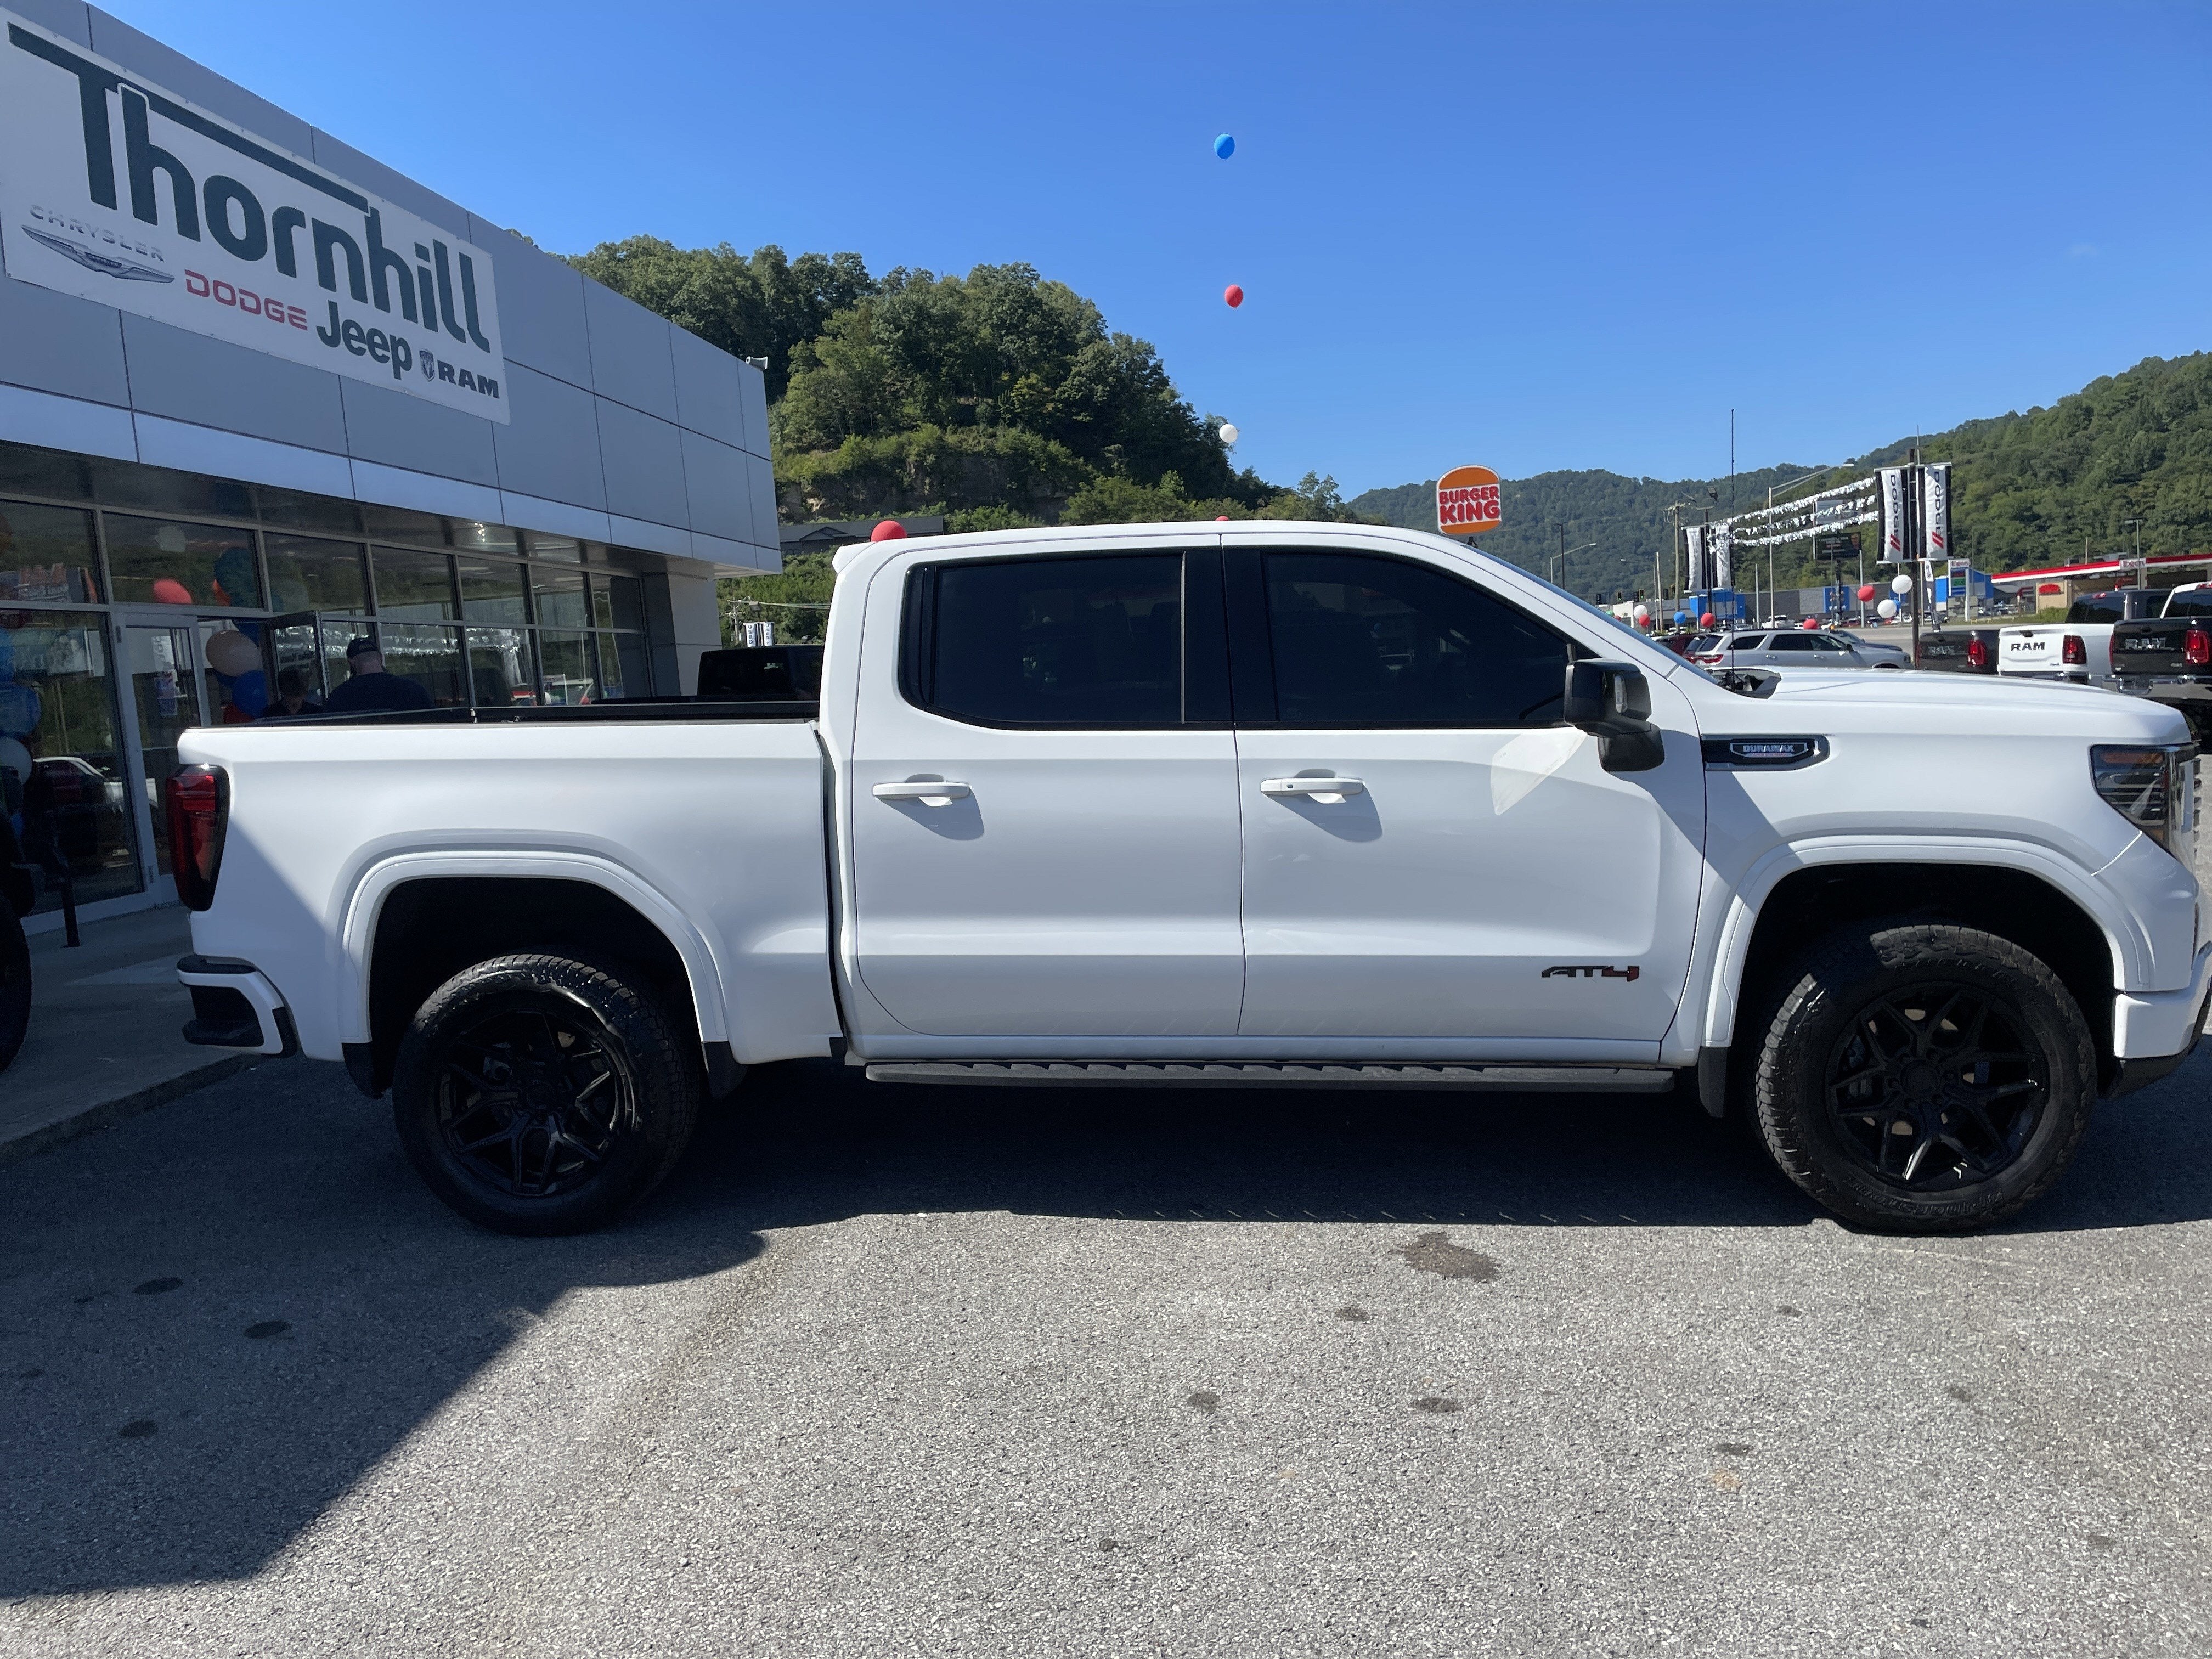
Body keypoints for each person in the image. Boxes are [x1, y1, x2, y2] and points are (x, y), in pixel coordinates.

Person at [323, 637, 434, 714]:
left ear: (351, 663)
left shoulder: (339, 696)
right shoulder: (413, 689)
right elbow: (435, 721)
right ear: (381, 658)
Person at [256, 667, 323, 720]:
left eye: (299, 694)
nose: (296, 700)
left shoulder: (318, 713)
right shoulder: (268, 715)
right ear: (283, 691)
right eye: (291, 694)